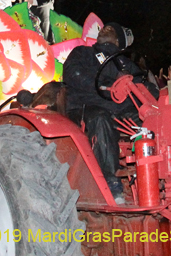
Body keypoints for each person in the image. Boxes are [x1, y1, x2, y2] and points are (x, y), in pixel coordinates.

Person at [63, 23, 159, 204]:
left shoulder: (126, 64)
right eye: (104, 28)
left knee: (151, 123)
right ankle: (110, 181)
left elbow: (144, 86)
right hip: (86, 106)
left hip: (120, 110)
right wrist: (107, 85)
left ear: (118, 41)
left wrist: (148, 90)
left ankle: (155, 177)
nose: (105, 29)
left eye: (112, 30)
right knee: (101, 118)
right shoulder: (82, 53)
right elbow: (73, 74)